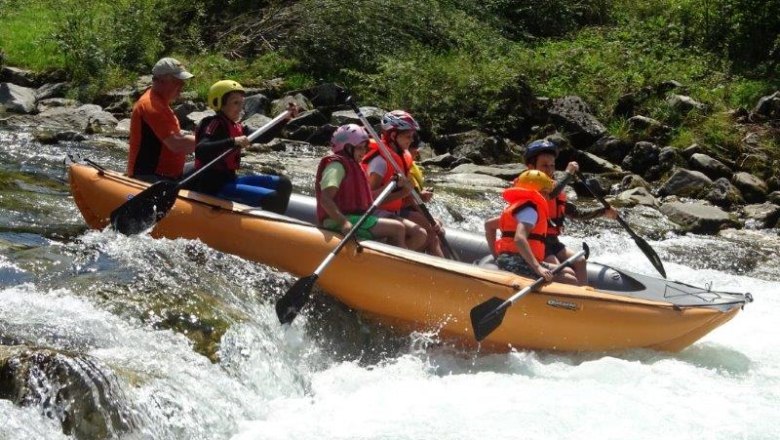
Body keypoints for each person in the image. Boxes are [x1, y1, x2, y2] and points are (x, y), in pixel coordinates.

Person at [187, 80, 294, 214]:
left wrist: (284, 120)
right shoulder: (213, 124)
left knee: (284, 183)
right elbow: (201, 149)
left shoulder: (238, 127)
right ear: (219, 103)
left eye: (241, 103)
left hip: (231, 180)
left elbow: (264, 137)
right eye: (235, 103)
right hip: (213, 186)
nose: (240, 108)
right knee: (272, 198)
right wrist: (232, 141)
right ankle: (271, 230)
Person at [316, 124, 427, 249]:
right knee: (397, 228)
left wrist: (399, 188)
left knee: (401, 228)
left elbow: (368, 200)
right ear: (347, 147)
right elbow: (325, 199)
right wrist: (344, 222)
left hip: (355, 217)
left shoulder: (355, 166)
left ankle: (392, 259)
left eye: (365, 148)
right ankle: (394, 264)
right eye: (360, 148)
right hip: (336, 221)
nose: (364, 152)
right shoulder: (336, 166)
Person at [524, 139, 617, 284]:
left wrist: (603, 212)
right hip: (535, 242)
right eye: (544, 166)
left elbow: (577, 213)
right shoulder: (530, 186)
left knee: (580, 261)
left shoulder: (554, 187)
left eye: (552, 165)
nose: (549, 169)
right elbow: (551, 194)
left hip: (552, 242)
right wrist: (568, 174)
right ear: (531, 167)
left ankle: (584, 298)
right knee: (559, 268)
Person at [362, 110, 444, 256]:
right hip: (376, 213)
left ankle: (440, 273)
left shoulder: (402, 158)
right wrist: (403, 192)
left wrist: (430, 220)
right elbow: (369, 200)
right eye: (408, 136)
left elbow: (409, 196)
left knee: (432, 231)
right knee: (419, 234)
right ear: (393, 136)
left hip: (394, 210)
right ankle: (389, 264)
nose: (411, 140)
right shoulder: (380, 162)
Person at [485, 169, 578, 284]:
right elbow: (519, 239)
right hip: (517, 261)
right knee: (570, 280)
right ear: (541, 192)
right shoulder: (531, 211)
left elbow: (489, 225)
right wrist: (538, 268)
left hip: (513, 259)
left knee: (568, 271)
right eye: (547, 193)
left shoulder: (522, 207)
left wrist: (496, 256)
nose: (549, 197)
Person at [127, 57, 197, 182]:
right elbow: (176, 144)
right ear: (160, 80)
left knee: (208, 169)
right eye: (178, 82)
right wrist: (215, 142)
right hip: (150, 177)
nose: (182, 86)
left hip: (169, 175)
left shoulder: (161, 103)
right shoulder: (151, 106)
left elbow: (174, 134)